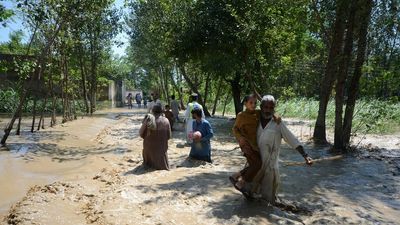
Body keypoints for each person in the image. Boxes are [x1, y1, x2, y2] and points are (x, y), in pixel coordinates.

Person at [253, 95, 313, 204]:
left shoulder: (278, 123)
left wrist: (305, 155)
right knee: (250, 194)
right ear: (261, 107)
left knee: (267, 201)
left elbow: (292, 139)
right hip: (254, 163)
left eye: (271, 108)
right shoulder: (254, 120)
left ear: (274, 109)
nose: (268, 110)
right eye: (265, 107)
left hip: (270, 167)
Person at [139, 104, 171, 170]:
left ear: (152, 112)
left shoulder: (148, 120)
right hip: (162, 152)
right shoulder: (166, 120)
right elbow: (169, 136)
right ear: (162, 112)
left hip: (149, 151)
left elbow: (140, 133)